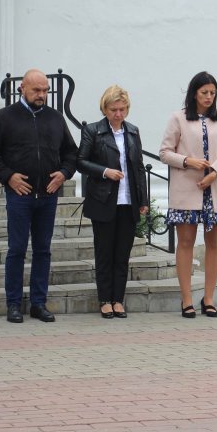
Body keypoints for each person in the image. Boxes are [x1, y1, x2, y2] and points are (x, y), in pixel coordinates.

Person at [0, 69, 78, 323]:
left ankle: (38, 303)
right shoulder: (4, 118)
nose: (42, 95)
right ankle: (13, 304)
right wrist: (8, 176)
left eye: (45, 90)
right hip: (19, 195)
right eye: (36, 90)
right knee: (17, 249)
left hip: (47, 194)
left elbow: (71, 153)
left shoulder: (55, 119)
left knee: (43, 250)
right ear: (22, 88)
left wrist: (64, 174)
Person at [160, 72, 217, 319]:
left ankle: (209, 298)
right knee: (185, 243)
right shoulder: (178, 118)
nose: (209, 97)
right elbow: (164, 152)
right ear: (194, 93)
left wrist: (214, 171)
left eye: (212, 93)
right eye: (204, 93)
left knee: (214, 244)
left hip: (215, 188)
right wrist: (187, 161)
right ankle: (187, 299)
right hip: (188, 189)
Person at [76, 85, 149, 319]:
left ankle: (119, 299)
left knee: (122, 254)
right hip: (104, 200)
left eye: (122, 109)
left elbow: (138, 167)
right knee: (104, 253)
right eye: (113, 109)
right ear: (105, 109)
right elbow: (81, 162)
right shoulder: (93, 131)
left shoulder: (133, 131)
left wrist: (143, 199)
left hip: (128, 201)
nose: (118, 114)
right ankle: (105, 299)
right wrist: (105, 171)